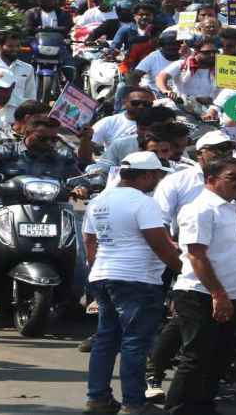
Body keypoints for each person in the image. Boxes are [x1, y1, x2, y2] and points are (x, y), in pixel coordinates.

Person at [0, 116, 88, 324]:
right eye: (42, 138)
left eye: (52, 139)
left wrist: (81, 186)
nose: (48, 144)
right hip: (4, 206)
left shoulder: (62, 155)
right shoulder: (4, 152)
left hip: (54, 208)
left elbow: (77, 176)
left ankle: (75, 299)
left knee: (79, 250)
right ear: (27, 133)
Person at [82, 151, 180, 415]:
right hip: (137, 279)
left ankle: (98, 399)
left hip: (104, 275)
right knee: (135, 342)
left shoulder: (99, 200)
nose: (158, 181)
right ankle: (134, 404)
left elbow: (89, 241)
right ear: (147, 175)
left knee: (106, 339)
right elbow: (159, 243)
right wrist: (182, 269)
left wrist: (99, 268)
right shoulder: (143, 203)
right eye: (157, 175)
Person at [164, 157, 236, 415]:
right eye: (233, 177)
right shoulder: (201, 208)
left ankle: (202, 407)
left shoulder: (232, 207)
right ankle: (177, 410)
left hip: (230, 294)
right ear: (212, 180)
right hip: (201, 294)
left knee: (219, 356)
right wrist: (218, 293)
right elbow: (196, 255)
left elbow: (229, 251)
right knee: (196, 358)